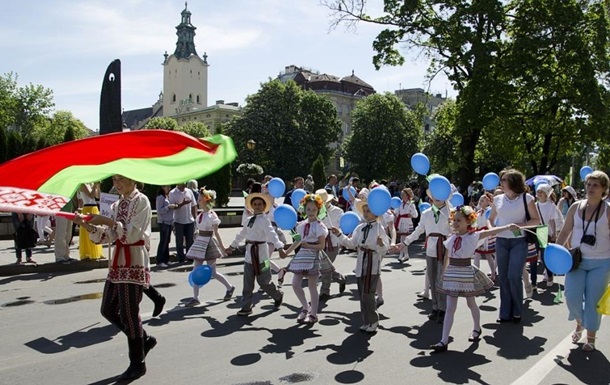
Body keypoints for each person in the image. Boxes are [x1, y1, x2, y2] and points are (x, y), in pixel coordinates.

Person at [73, 175, 156, 381]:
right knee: (108, 309)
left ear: (134, 179)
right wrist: (86, 225)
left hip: (134, 260)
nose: (117, 183)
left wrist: (108, 221)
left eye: (121, 179)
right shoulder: (118, 204)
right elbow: (109, 235)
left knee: (130, 313)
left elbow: (132, 235)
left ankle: (138, 363)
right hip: (118, 263)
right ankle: (143, 339)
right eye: (115, 179)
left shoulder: (142, 201)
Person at [430, 205, 518, 352]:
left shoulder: (473, 236)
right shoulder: (451, 238)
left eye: (459, 220)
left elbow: (490, 231)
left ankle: (477, 328)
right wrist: (444, 273)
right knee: (450, 307)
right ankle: (443, 341)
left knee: (471, 303)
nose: (455, 223)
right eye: (454, 220)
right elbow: (447, 256)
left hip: (465, 272)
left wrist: (508, 226)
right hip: (452, 273)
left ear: (468, 222)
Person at [556, 170, 610, 352]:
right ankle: (579, 323)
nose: (591, 188)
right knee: (572, 297)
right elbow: (565, 232)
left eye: (595, 185)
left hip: (601, 263)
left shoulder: (608, 210)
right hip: (576, 261)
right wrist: (555, 253)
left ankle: (591, 337)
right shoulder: (576, 207)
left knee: (594, 300)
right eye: (588, 184)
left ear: (604, 189)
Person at [488, 169, 540, 324]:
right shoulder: (497, 199)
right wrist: (491, 229)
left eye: (504, 180)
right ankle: (504, 312)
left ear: (514, 182)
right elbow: (490, 219)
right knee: (502, 277)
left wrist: (521, 225)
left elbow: (536, 220)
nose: (501, 183)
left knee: (513, 275)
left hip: (519, 241)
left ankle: (517, 310)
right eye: (501, 179)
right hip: (501, 241)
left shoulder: (527, 198)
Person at [332, 199, 389, 333]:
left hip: (372, 264)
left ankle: (374, 320)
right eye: (364, 211)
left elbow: (385, 249)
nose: (365, 213)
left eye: (368, 211)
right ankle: (366, 321)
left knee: (368, 294)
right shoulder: (360, 228)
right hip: (361, 263)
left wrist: (381, 244)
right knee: (362, 294)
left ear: (376, 213)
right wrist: (339, 234)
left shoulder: (379, 228)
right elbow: (352, 244)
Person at [394, 193, 451, 322]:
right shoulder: (426, 213)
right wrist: (404, 243)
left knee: (441, 279)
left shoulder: (450, 212)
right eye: (434, 193)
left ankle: (443, 309)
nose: (437, 197)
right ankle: (435, 307)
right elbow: (418, 230)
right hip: (431, 248)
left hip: (445, 249)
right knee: (432, 278)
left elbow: (456, 231)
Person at [225, 190, 284, 316]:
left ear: (264, 207)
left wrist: (279, 247)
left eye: (259, 204)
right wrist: (232, 246)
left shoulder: (265, 220)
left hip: (262, 255)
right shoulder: (249, 220)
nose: (257, 206)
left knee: (265, 282)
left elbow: (271, 234)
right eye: (255, 204)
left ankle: (277, 295)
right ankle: (247, 306)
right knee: (248, 283)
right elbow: (241, 234)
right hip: (249, 255)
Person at [280, 194, 333, 324]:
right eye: (308, 209)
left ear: (318, 210)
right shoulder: (301, 225)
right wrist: (287, 252)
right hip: (302, 256)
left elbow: (321, 246)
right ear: (304, 209)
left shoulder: (320, 226)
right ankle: (305, 307)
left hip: (314, 256)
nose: (311, 212)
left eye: (314, 210)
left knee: (312, 286)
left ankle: (313, 313)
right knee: (295, 284)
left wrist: (308, 245)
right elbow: (298, 241)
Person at [185, 189, 234, 306]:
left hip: (209, 243)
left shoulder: (212, 215)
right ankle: (195, 298)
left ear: (207, 201)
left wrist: (222, 248)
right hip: (200, 242)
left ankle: (229, 287)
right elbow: (198, 230)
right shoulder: (200, 215)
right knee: (196, 271)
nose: (198, 201)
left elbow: (216, 233)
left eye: (200, 199)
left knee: (213, 273)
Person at [317, 189, 346, 302]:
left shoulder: (338, 211)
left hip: (333, 242)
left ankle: (325, 291)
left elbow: (343, 225)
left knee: (325, 268)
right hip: (320, 241)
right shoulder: (317, 211)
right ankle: (341, 278)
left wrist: (339, 232)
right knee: (325, 267)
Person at [535, 184, 564, 288]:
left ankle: (549, 274)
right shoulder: (535, 205)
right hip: (537, 231)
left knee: (544, 256)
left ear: (546, 194)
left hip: (546, 231)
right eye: (538, 191)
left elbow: (552, 221)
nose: (539, 193)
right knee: (537, 256)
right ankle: (546, 273)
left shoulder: (551, 205)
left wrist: (554, 234)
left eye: (541, 192)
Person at [168, 183, 197, 263]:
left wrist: (195, 218)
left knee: (190, 240)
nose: (184, 185)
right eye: (183, 183)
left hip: (189, 220)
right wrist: (182, 204)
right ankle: (181, 258)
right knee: (179, 240)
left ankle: (190, 257)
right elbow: (172, 207)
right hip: (179, 220)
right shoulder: (172, 193)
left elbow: (193, 205)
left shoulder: (189, 191)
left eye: (185, 183)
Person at [474, 192, 497, 280]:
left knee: (488, 255)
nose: (480, 202)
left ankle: (493, 272)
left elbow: (491, 219)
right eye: (480, 200)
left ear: (487, 202)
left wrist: (490, 201)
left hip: (486, 235)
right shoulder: (478, 212)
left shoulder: (489, 210)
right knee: (477, 255)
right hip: (479, 234)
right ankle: (476, 274)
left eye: (483, 200)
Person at [77, 182, 103, 260]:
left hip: (95, 208)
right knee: (88, 231)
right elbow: (91, 196)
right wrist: (95, 186)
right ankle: (88, 253)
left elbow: (97, 196)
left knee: (97, 229)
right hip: (87, 208)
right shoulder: (82, 184)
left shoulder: (91, 184)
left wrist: (97, 186)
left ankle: (98, 252)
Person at [395, 188, 418, 263]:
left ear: (408, 196)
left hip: (407, 222)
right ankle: (405, 254)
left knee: (405, 239)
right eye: (401, 195)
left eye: (403, 195)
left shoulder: (411, 204)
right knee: (402, 238)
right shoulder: (400, 204)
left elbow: (416, 215)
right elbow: (397, 212)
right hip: (401, 222)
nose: (402, 196)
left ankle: (402, 254)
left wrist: (411, 215)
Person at [54, 195, 77, 264]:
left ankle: (66, 255)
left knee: (68, 235)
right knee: (61, 234)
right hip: (61, 211)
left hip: (69, 211)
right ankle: (59, 256)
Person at [155, 186, 173, 268]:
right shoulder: (160, 197)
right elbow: (159, 211)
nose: (169, 188)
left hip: (169, 222)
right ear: (163, 187)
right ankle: (160, 260)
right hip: (163, 222)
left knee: (167, 241)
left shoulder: (167, 196)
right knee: (163, 241)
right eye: (167, 187)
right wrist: (168, 207)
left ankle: (166, 259)